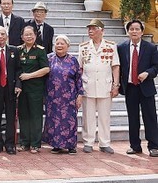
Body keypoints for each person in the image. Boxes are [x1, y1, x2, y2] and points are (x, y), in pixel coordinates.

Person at [78, 19, 120, 154]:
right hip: (88, 84)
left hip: (105, 84)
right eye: (89, 28)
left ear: (101, 30)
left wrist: (116, 85)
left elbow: (115, 66)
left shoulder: (111, 46)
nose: (90, 31)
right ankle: (88, 142)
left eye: (94, 28)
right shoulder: (83, 46)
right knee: (88, 116)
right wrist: (79, 87)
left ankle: (104, 142)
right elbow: (80, 67)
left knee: (104, 116)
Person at [117, 20, 158, 157]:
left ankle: (154, 146)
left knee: (150, 117)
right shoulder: (121, 47)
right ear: (128, 31)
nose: (134, 31)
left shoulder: (151, 48)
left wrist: (148, 73)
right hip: (130, 87)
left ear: (142, 31)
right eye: (131, 29)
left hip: (146, 88)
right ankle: (134, 146)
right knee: (133, 118)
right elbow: (119, 67)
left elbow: (156, 67)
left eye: (137, 29)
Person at [42, 34, 83, 155]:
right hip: (52, 96)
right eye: (57, 43)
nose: (59, 45)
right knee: (54, 121)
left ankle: (71, 145)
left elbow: (79, 78)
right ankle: (56, 145)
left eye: (62, 43)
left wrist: (80, 95)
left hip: (69, 96)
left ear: (68, 46)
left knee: (69, 120)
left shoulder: (73, 60)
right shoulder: (49, 58)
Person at [0, 25, 21, 155]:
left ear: (6, 36)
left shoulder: (14, 50)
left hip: (10, 88)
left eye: (2, 34)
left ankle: (10, 144)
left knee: (11, 117)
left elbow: (19, 69)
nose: (0, 37)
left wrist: (18, 84)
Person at [17, 26, 50, 153]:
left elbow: (46, 69)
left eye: (31, 34)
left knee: (36, 116)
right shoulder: (19, 50)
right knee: (23, 116)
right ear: (22, 37)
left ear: (35, 36)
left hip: (35, 88)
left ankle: (35, 143)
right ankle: (24, 142)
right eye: (26, 35)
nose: (29, 37)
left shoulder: (40, 50)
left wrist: (29, 76)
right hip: (22, 89)